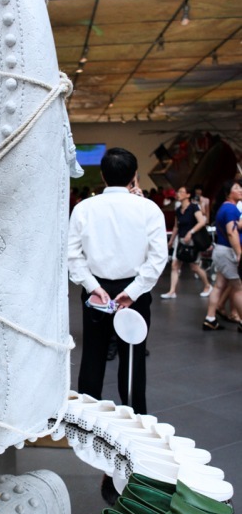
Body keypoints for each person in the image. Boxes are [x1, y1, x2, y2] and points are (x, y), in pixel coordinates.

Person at [68, 147, 167, 416]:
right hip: (135, 291)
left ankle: (87, 418)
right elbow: (158, 257)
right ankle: (135, 418)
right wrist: (133, 291)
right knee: (133, 357)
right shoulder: (149, 209)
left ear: (102, 175)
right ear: (134, 176)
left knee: (93, 355)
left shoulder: (83, 208)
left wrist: (92, 286)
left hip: (96, 291)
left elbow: (72, 255)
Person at [203, 179, 242, 332]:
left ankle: (210, 319)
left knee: (219, 286)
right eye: (237, 188)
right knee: (238, 288)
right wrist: (239, 253)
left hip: (221, 251)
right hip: (227, 252)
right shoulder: (231, 209)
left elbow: (235, 226)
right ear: (228, 193)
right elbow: (231, 232)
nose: (240, 190)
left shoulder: (226, 208)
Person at [160, 185, 212, 299]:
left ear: (188, 195)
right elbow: (176, 227)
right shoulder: (178, 210)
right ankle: (172, 291)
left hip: (192, 241)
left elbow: (201, 222)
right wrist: (171, 241)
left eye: (181, 192)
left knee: (194, 266)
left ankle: (207, 285)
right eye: (178, 192)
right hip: (181, 240)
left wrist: (191, 232)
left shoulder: (194, 207)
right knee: (175, 265)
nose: (178, 194)